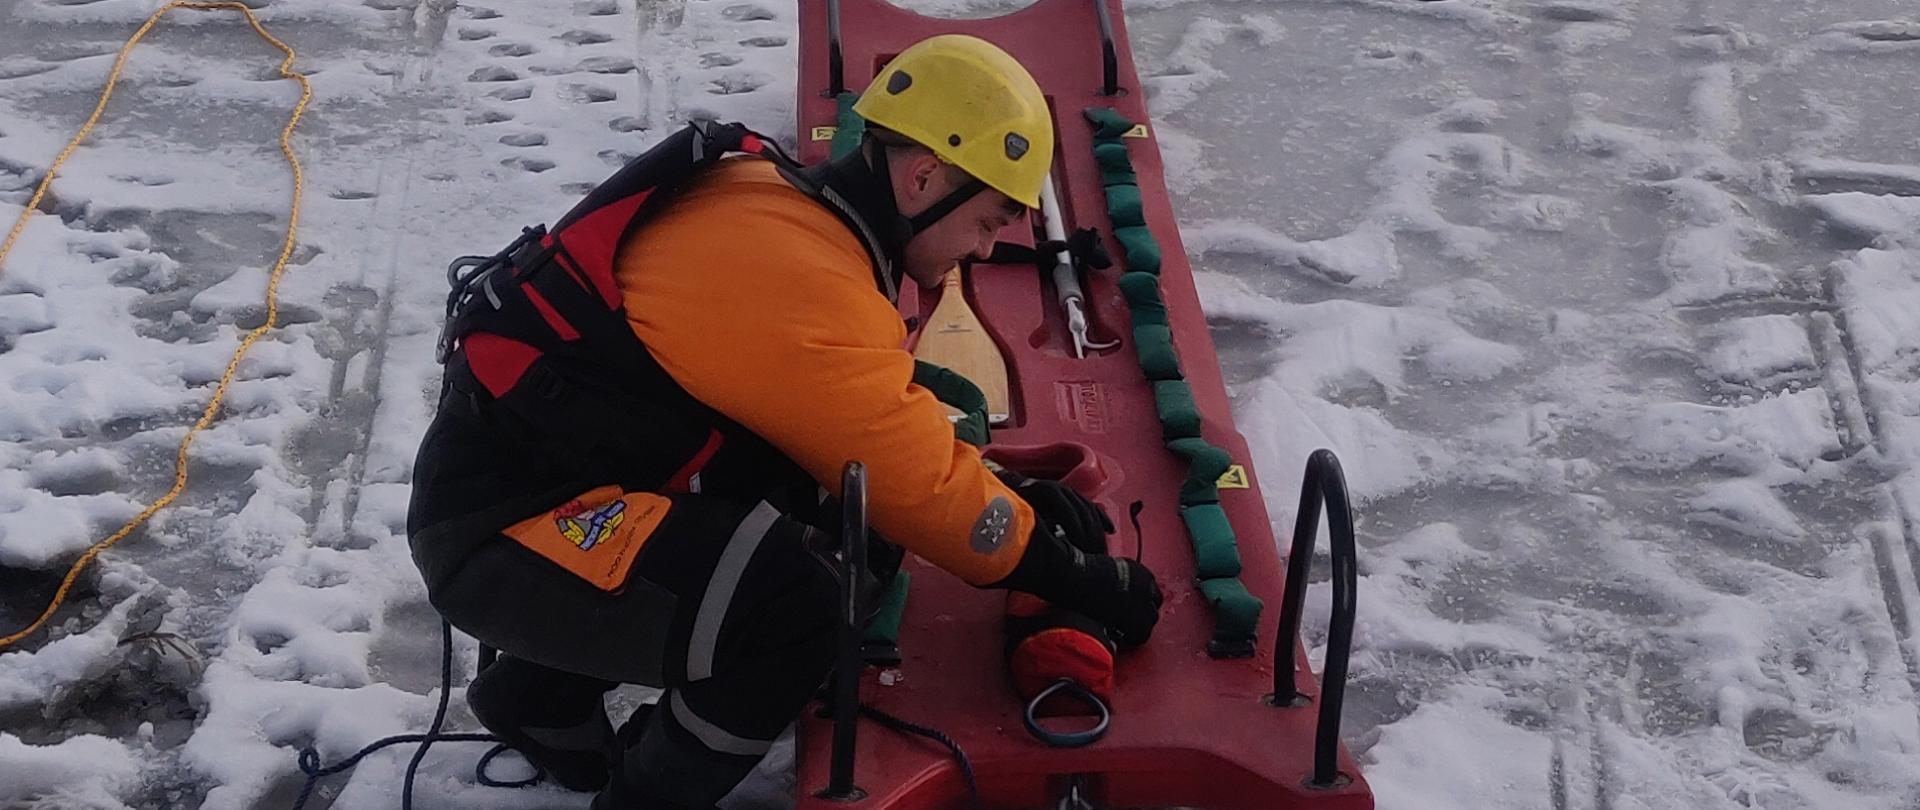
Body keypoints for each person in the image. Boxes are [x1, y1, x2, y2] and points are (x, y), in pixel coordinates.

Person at [406, 34, 1163, 809]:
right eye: (991, 217)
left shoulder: (776, 202)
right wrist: (1077, 576)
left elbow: (868, 435)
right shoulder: (800, 276)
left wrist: (1009, 493)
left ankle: (538, 700)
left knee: (837, 507)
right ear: (925, 175)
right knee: (799, 606)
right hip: (505, 534)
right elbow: (917, 488)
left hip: (559, 486)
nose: (986, 247)